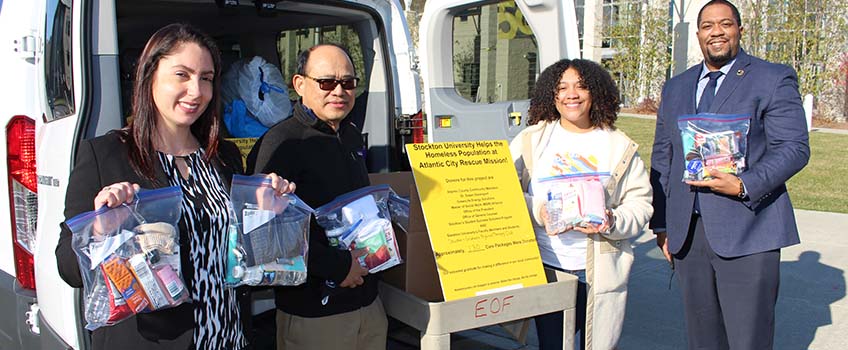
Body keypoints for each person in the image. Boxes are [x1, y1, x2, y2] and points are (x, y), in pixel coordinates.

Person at [55, 23, 296, 350]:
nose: (197, 91)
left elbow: (243, 260)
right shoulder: (105, 154)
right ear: (149, 76)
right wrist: (100, 230)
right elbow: (68, 268)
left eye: (206, 78)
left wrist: (267, 216)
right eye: (182, 75)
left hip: (228, 338)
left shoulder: (222, 155)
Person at [650, 1, 810, 349]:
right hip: (688, 235)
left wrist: (743, 185)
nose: (717, 32)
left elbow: (794, 148)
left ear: (740, 29)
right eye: (708, 26)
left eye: (725, 24)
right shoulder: (676, 87)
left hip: (748, 228)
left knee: (747, 339)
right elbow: (663, 155)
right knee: (703, 339)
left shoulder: (771, 78)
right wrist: (661, 224)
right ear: (698, 34)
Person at [247, 44, 386, 350]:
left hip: (368, 307)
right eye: (326, 82)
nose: (339, 91)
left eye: (348, 83)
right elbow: (265, 237)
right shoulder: (280, 144)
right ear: (300, 84)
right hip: (316, 316)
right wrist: (336, 267)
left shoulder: (349, 135)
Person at [509, 58, 652, 350]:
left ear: (595, 92)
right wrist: (538, 210)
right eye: (562, 88)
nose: (570, 94)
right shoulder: (532, 140)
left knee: (595, 343)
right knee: (552, 345)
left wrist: (612, 220)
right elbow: (506, 193)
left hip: (597, 269)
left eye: (581, 86)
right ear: (552, 94)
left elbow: (641, 203)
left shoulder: (617, 144)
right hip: (547, 266)